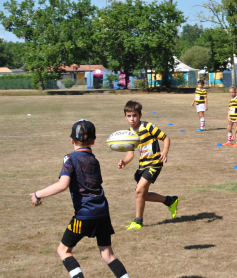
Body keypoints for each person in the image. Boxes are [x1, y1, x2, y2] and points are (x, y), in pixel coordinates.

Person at [30, 119, 130, 278]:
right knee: (108, 255)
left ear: (71, 140)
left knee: (63, 251)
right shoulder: (94, 160)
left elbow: (63, 185)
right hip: (103, 212)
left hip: (84, 215)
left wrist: (37, 194)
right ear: (94, 141)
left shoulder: (70, 158)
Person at [118, 100, 178, 230]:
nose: (132, 119)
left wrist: (165, 151)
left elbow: (166, 138)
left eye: (134, 115)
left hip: (155, 163)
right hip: (143, 166)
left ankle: (138, 222)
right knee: (142, 195)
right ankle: (170, 201)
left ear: (140, 115)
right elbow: (130, 154)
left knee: (138, 192)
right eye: (129, 116)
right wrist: (124, 162)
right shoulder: (129, 134)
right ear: (125, 117)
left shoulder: (148, 126)